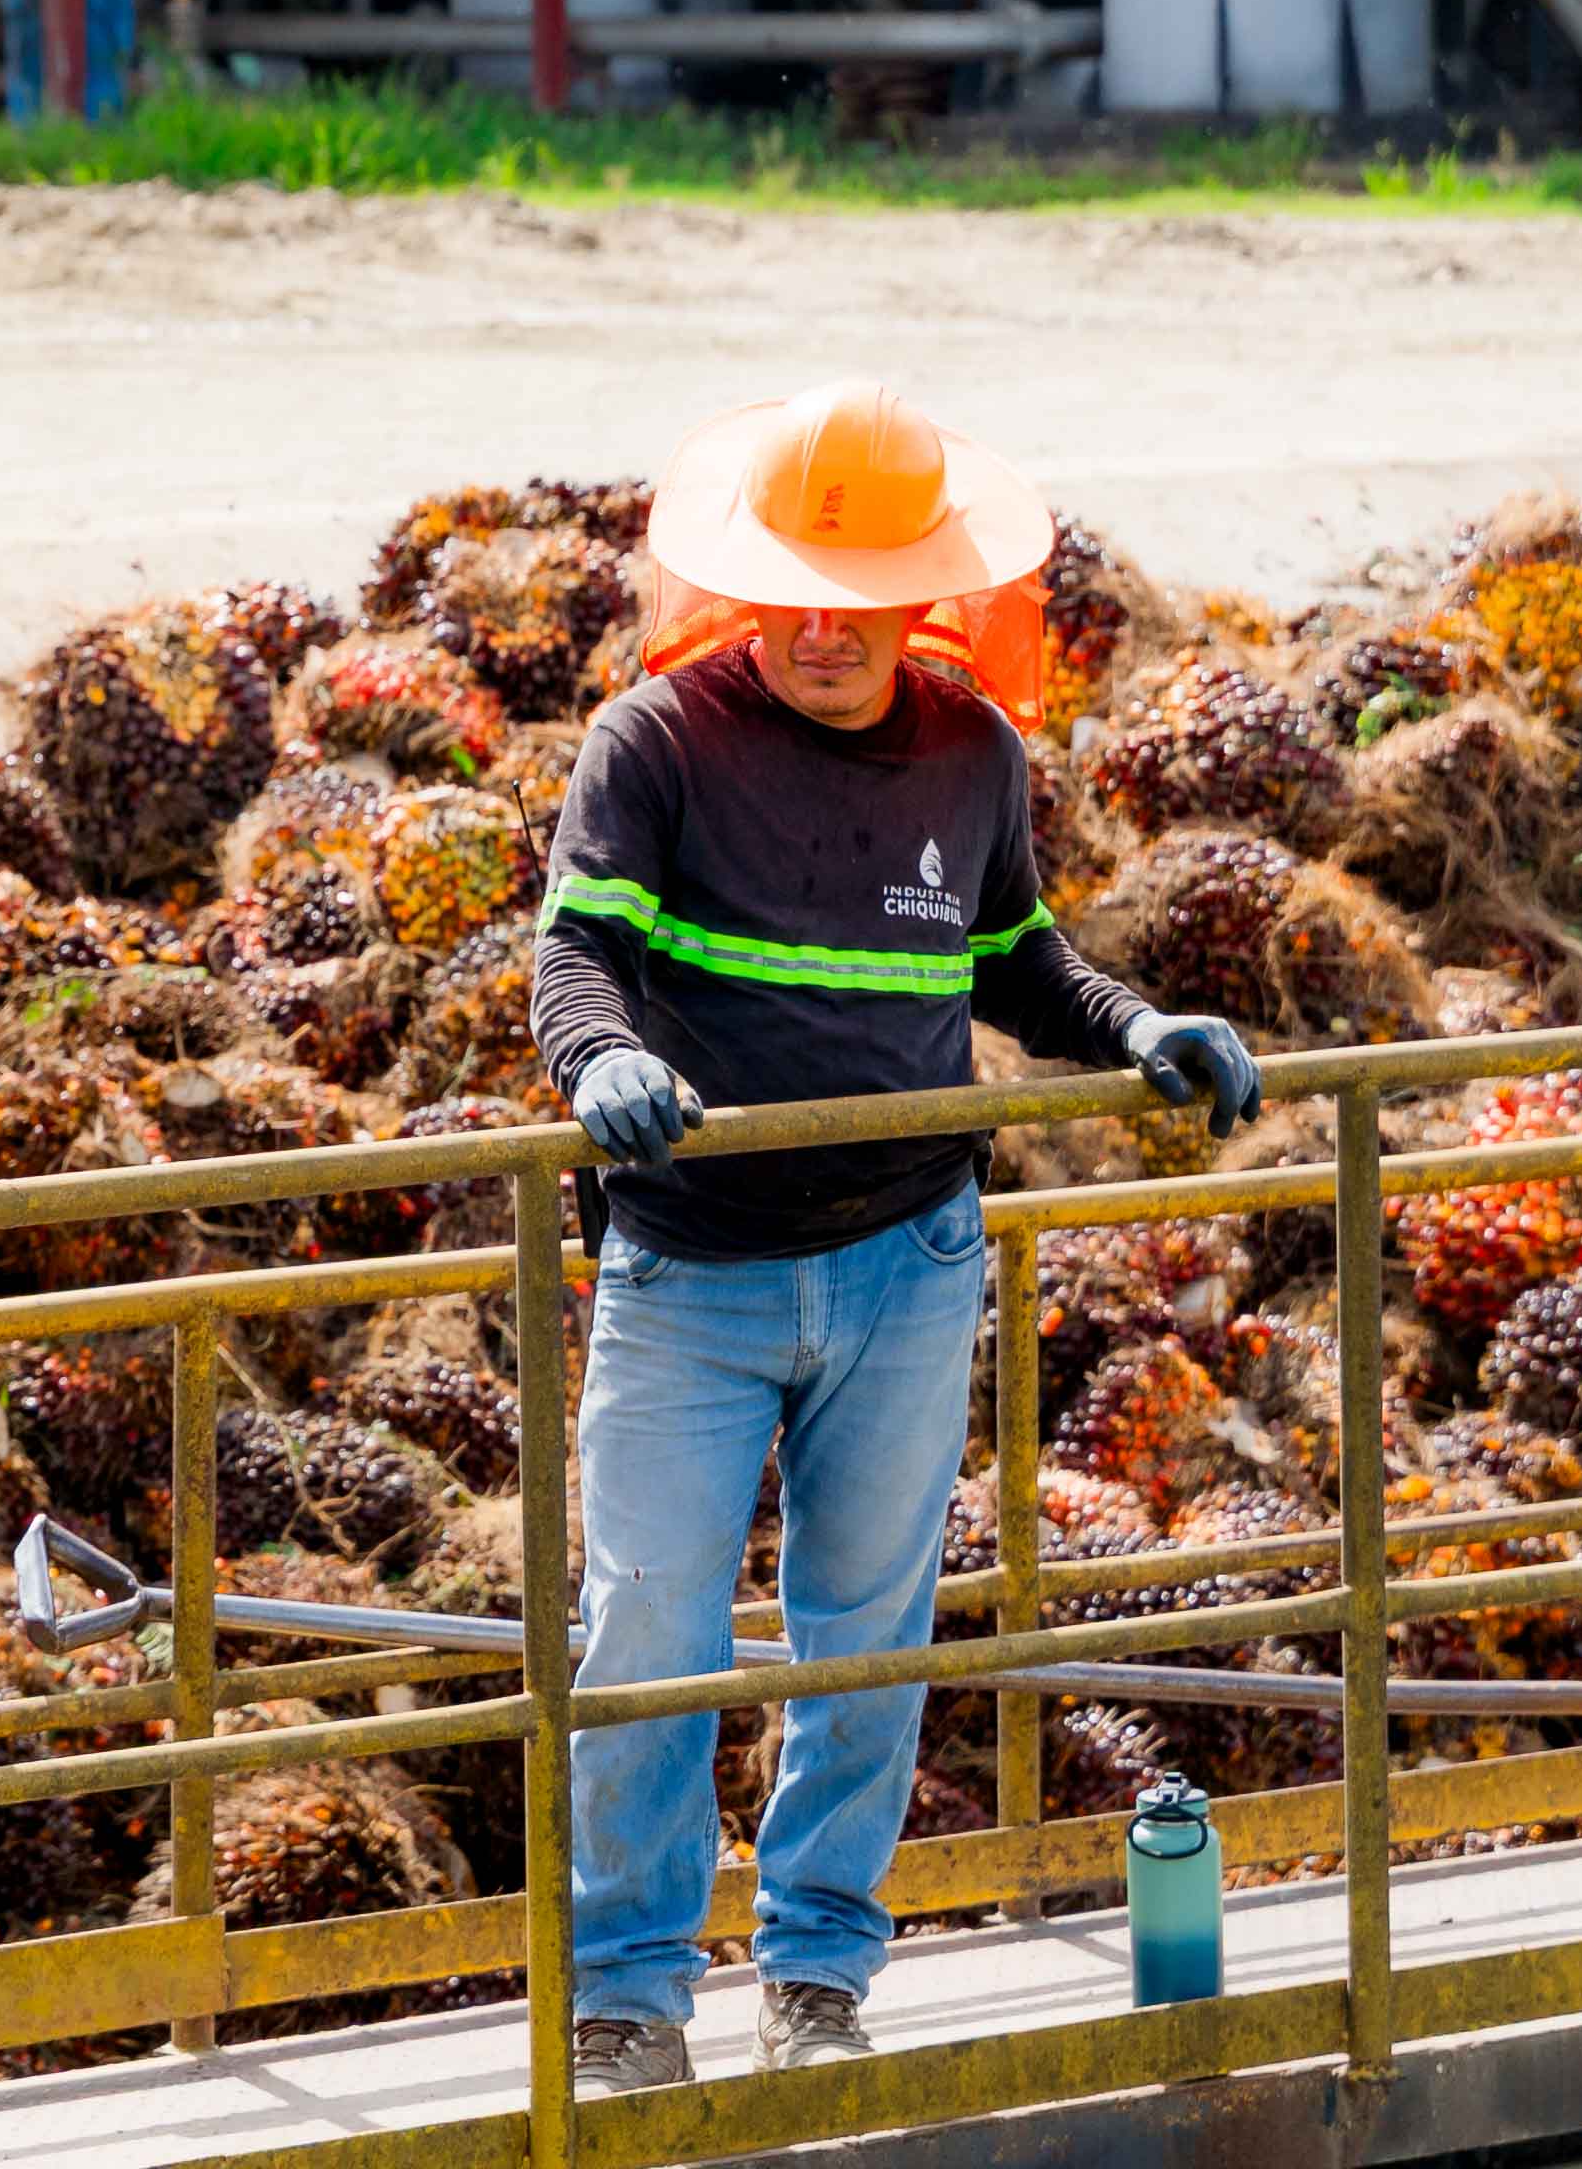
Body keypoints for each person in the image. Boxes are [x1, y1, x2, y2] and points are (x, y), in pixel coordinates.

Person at [526, 380, 1263, 2093]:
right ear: (743, 580)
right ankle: (630, 1992)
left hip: (907, 1258)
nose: (820, 630)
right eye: (790, 591)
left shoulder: (970, 751)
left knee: (868, 1630)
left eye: (856, 602)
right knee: (649, 1630)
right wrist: (608, 1057)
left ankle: (819, 1972)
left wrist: (1141, 1030)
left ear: (920, 593)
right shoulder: (659, 743)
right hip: (691, 1268)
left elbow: (1020, 961)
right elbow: (576, 957)